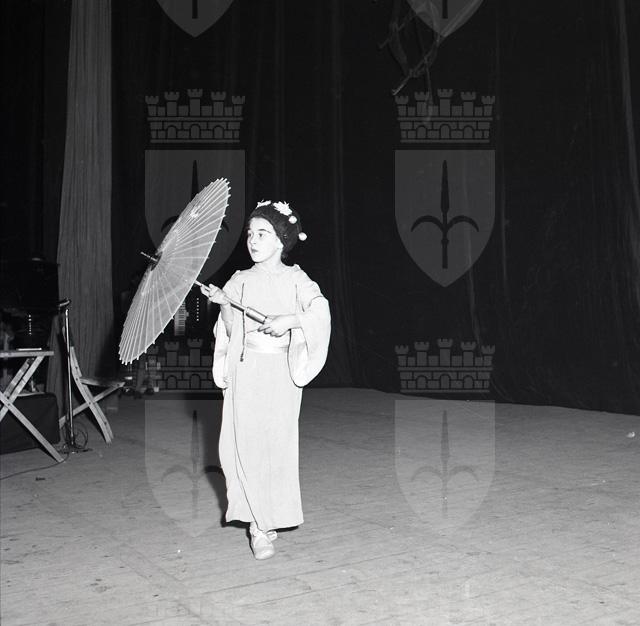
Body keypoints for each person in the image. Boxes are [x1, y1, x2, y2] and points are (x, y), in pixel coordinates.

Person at [201, 200, 331, 560]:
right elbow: (231, 331)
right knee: (244, 446)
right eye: (250, 234)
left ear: (281, 240)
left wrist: (290, 320)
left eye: (262, 234)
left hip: (280, 376)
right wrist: (224, 304)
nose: (253, 241)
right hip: (247, 371)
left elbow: (319, 311)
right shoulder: (240, 280)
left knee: (275, 446)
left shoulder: (296, 279)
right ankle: (257, 524)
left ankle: (265, 520)